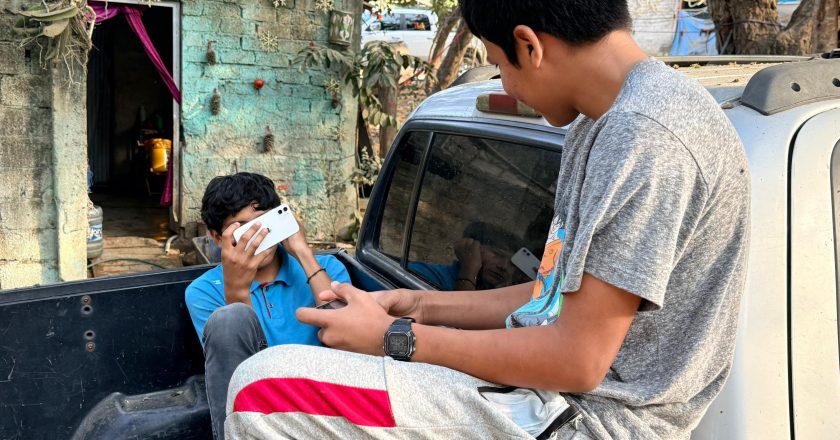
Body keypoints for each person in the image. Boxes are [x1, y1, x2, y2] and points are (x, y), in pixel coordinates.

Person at [224, 1, 751, 439]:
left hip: (588, 418)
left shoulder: (647, 135)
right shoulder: (602, 121)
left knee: (261, 390)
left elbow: (578, 359)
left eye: (499, 63)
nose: (508, 85)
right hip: (548, 394)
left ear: (529, 45)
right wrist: (415, 304)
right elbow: (551, 294)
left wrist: (395, 336)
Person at [184, 172, 351, 440]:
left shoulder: (327, 269)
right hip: (261, 415)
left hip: (328, 406)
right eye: (243, 228)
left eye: (265, 223)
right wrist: (238, 290)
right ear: (217, 237)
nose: (259, 237)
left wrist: (303, 253)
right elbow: (242, 373)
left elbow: (350, 336)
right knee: (229, 319)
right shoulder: (205, 291)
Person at [408, 222, 519, 291]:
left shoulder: (497, 299)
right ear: (471, 247)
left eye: (513, 263)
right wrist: (469, 269)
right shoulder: (423, 275)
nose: (504, 266)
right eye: (497, 254)